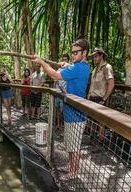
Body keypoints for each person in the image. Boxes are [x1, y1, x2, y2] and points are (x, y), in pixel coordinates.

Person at [33, 39, 90, 179]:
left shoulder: (78, 68)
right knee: (70, 143)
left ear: (85, 53)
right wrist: (68, 64)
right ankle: (71, 165)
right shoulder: (80, 66)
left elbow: (55, 75)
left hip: (76, 114)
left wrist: (42, 62)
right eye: (72, 53)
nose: (73, 55)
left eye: (76, 53)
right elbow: (73, 68)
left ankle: (73, 172)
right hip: (71, 112)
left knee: (75, 146)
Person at [54, 53, 69, 130]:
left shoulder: (70, 69)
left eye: (65, 59)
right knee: (57, 110)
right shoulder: (59, 69)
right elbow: (55, 81)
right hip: (57, 93)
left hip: (64, 94)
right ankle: (58, 124)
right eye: (63, 59)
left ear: (68, 60)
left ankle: (63, 124)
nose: (64, 61)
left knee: (62, 110)